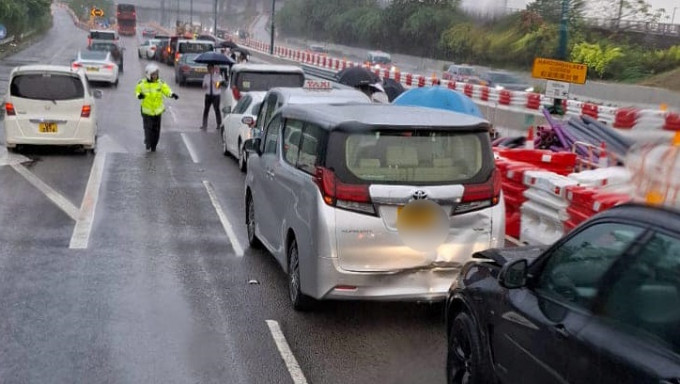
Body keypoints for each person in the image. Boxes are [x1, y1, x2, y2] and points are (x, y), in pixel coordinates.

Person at [135, 63, 178, 152]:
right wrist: (140, 96)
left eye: (156, 74)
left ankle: (154, 145)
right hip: (147, 112)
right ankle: (148, 142)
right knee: (148, 129)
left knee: (156, 130)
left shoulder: (160, 83)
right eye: (153, 74)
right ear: (148, 75)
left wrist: (172, 94)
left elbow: (166, 90)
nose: (155, 76)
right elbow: (137, 92)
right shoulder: (142, 83)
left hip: (157, 112)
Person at [201, 63, 225, 130]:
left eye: (210, 69)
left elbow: (219, 86)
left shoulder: (218, 76)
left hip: (216, 95)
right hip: (208, 95)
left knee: (216, 109)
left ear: (213, 69)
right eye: (208, 69)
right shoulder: (206, 76)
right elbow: (203, 86)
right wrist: (205, 86)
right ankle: (204, 124)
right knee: (206, 109)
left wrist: (214, 82)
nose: (209, 70)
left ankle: (218, 124)